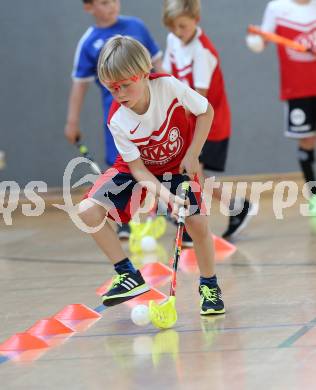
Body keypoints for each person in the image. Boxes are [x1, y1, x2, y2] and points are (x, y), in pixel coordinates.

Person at [78, 35, 225, 315]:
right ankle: (127, 274)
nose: (119, 93)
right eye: (111, 87)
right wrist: (169, 198)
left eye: (125, 85)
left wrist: (193, 153)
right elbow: (138, 170)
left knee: (198, 225)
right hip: (137, 169)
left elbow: (205, 111)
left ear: (144, 74)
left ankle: (209, 285)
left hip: (179, 164)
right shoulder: (117, 118)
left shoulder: (168, 86)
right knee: (87, 210)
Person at [64, 0, 163, 238]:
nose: (112, 6)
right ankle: (122, 217)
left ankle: (162, 207)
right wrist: (72, 121)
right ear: (89, 7)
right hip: (118, 116)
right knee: (119, 164)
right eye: (105, 2)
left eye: (115, 1)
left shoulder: (136, 26)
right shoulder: (89, 42)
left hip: (150, 110)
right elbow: (79, 86)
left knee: (158, 157)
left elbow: (158, 64)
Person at [162, 0, 255, 242]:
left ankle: (195, 224)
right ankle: (235, 207)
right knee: (196, 174)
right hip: (187, 118)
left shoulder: (203, 52)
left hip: (208, 120)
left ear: (196, 20)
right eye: (173, 27)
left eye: (182, 26)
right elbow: (168, 76)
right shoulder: (174, 40)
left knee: (193, 173)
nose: (177, 32)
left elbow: (200, 98)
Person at [246, 0, 316, 222]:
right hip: (297, 88)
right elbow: (260, 43)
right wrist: (257, 39)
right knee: (306, 141)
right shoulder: (277, 8)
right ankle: (314, 197)